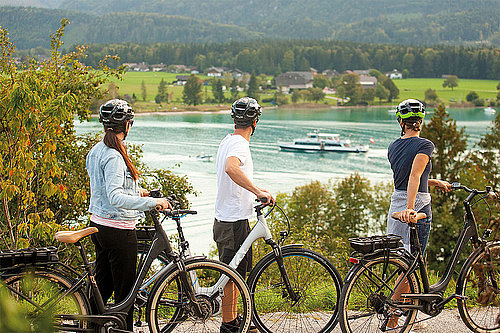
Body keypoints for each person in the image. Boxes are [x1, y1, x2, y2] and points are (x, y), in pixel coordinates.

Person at [86, 99, 171, 330]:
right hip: (118, 230)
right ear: (126, 125)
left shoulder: (97, 150)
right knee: (126, 294)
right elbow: (114, 197)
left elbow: (104, 189)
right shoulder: (114, 155)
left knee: (102, 289)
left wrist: (140, 192)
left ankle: (92, 327)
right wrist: (153, 202)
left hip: (99, 226)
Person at [386, 98, 451, 329]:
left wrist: (434, 181)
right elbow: (414, 177)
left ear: (401, 122)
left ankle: (407, 314)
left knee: (400, 261)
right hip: (417, 207)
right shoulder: (425, 145)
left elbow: (406, 178)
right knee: (412, 263)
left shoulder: (393, 146)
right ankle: (394, 316)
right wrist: (411, 209)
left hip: (395, 205)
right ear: (420, 122)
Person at [213, 97, 274, 333]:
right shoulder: (240, 145)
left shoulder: (228, 140)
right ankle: (229, 325)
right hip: (232, 220)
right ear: (255, 121)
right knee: (231, 275)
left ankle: (235, 321)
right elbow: (231, 168)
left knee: (236, 273)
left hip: (230, 216)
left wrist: (257, 191)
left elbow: (234, 178)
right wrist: (257, 191)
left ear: (234, 119)